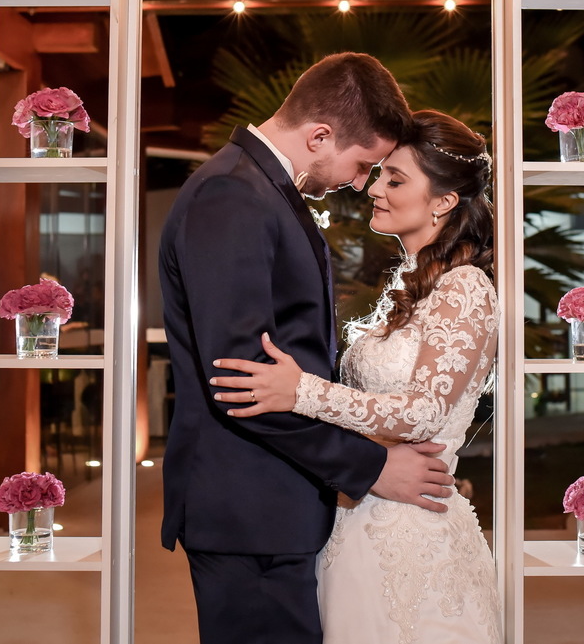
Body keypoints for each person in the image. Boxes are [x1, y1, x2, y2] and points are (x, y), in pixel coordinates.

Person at [158, 53, 457, 644]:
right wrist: (371, 469)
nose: (359, 181)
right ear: (320, 135)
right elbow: (241, 383)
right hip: (250, 506)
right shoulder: (232, 195)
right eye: (362, 163)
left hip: (274, 502)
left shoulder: (257, 188)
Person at [211, 109, 502, 643]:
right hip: (357, 512)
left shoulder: (465, 288)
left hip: (413, 527)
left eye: (395, 178)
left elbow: (422, 413)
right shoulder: (411, 286)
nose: (374, 188)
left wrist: (300, 391)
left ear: (443, 201)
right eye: (377, 173)